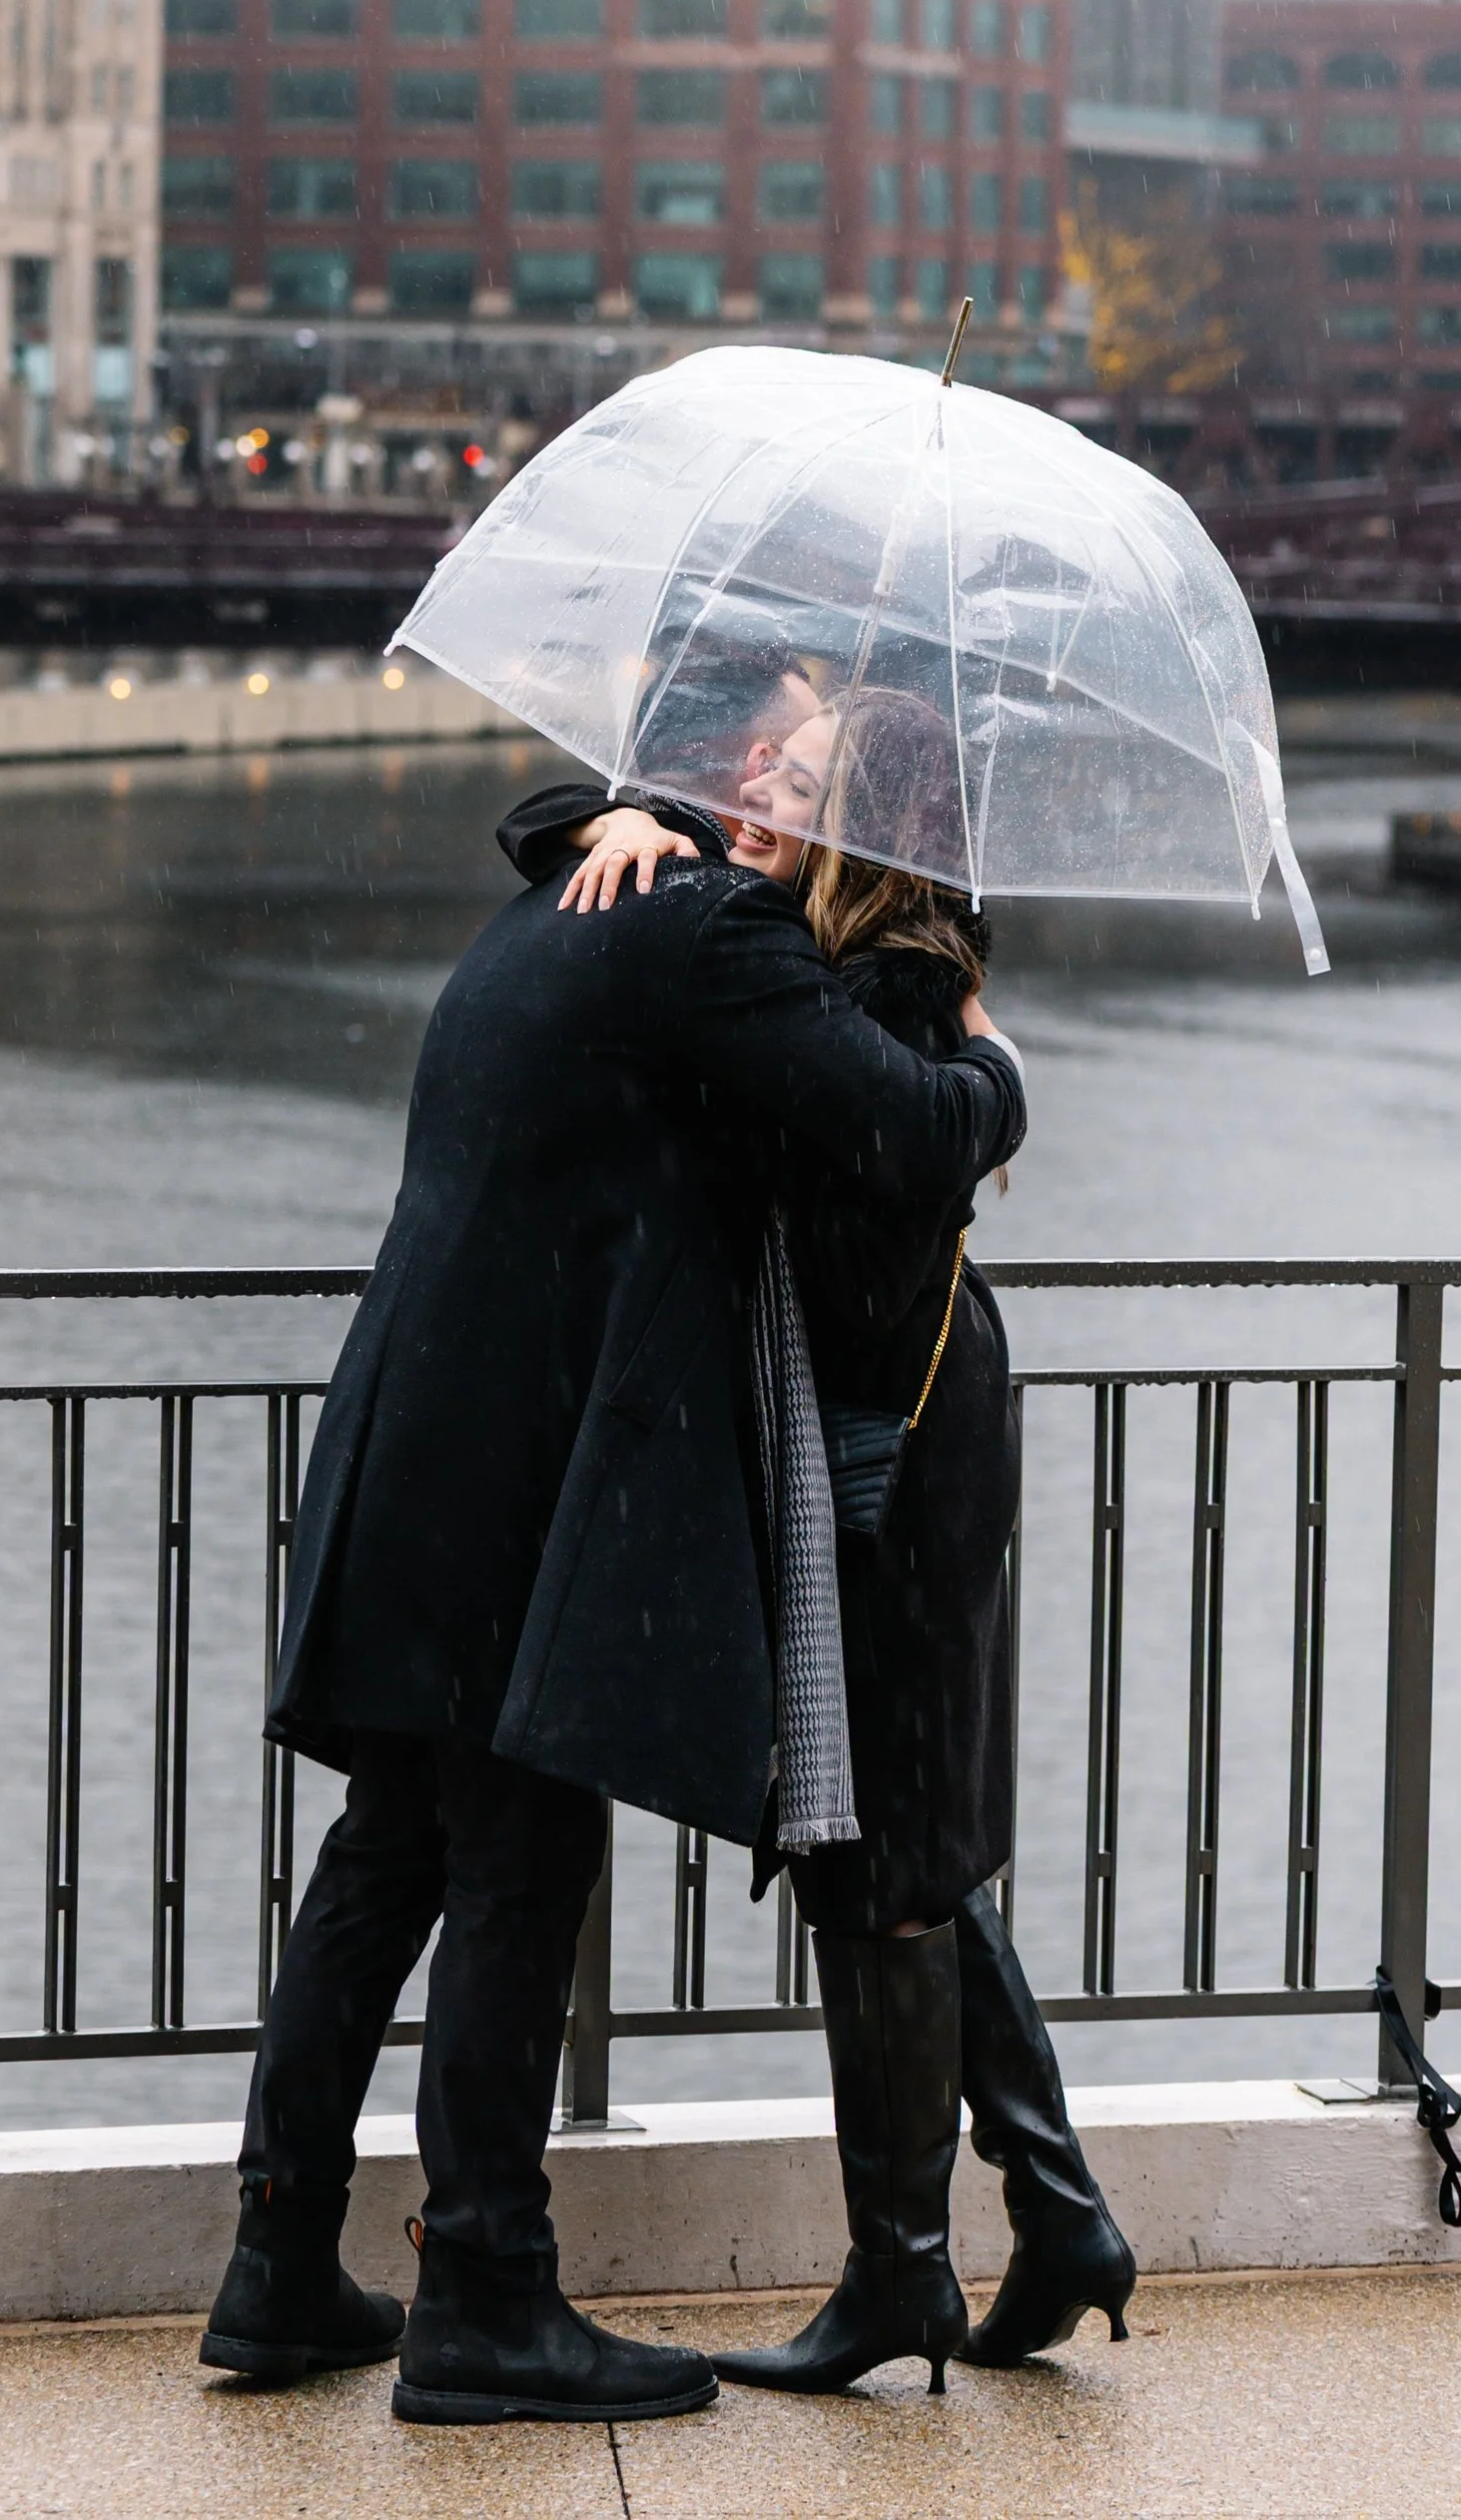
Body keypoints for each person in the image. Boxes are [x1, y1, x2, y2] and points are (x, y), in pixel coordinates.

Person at [198, 648, 1027, 2430]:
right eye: (801, 765)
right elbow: (900, 1133)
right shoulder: (697, 924)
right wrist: (999, 1070)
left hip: (412, 1430)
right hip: (521, 1474)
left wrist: (610, 806)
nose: (820, 799)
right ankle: (486, 2297)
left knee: (385, 1858)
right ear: (731, 771)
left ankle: (276, 2266)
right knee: (517, 1863)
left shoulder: (561, 898)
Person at [557, 685, 1136, 2395]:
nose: (754, 785)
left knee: (878, 1858)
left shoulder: (885, 984)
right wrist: (606, 820)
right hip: (895, 1436)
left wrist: (989, 1071)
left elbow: (903, 1137)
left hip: (899, 1451)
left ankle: (901, 2272)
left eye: (795, 777)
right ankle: (1055, 2203)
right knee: (911, 1841)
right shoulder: (860, 965)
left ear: (866, 821)